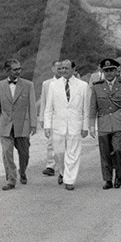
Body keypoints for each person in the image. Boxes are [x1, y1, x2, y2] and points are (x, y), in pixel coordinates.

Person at [88, 58, 121, 190]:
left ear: (116, 71)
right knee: (105, 153)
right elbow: (93, 107)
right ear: (102, 72)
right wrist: (91, 125)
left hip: (120, 124)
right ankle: (107, 179)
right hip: (103, 124)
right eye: (106, 71)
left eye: (111, 70)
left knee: (119, 151)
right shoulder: (97, 86)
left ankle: (118, 175)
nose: (109, 73)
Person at [43, 59, 89, 191]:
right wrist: (47, 126)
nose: (63, 71)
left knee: (73, 153)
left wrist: (85, 127)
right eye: (61, 68)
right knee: (59, 153)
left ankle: (70, 180)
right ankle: (63, 172)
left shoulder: (83, 85)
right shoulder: (53, 85)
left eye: (66, 68)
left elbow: (85, 109)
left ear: (73, 70)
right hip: (58, 125)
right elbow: (49, 108)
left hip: (75, 124)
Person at [0, 59, 38, 191]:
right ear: (7, 70)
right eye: (15, 69)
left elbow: (32, 106)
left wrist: (33, 124)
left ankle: (22, 171)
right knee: (7, 153)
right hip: (5, 125)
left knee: (24, 153)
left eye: (19, 69)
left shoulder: (28, 85)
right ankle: (11, 179)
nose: (18, 71)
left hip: (22, 125)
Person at [38, 60, 61, 177]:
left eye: (61, 67)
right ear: (52, 69)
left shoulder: (67, 83)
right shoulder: (47, 84)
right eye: (57, 67)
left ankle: (62, 165)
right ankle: (50, 165)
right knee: (50, 142)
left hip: (64, 118)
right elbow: (44, 102)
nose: (59, 69)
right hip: (51, 117)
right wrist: (42, 118)